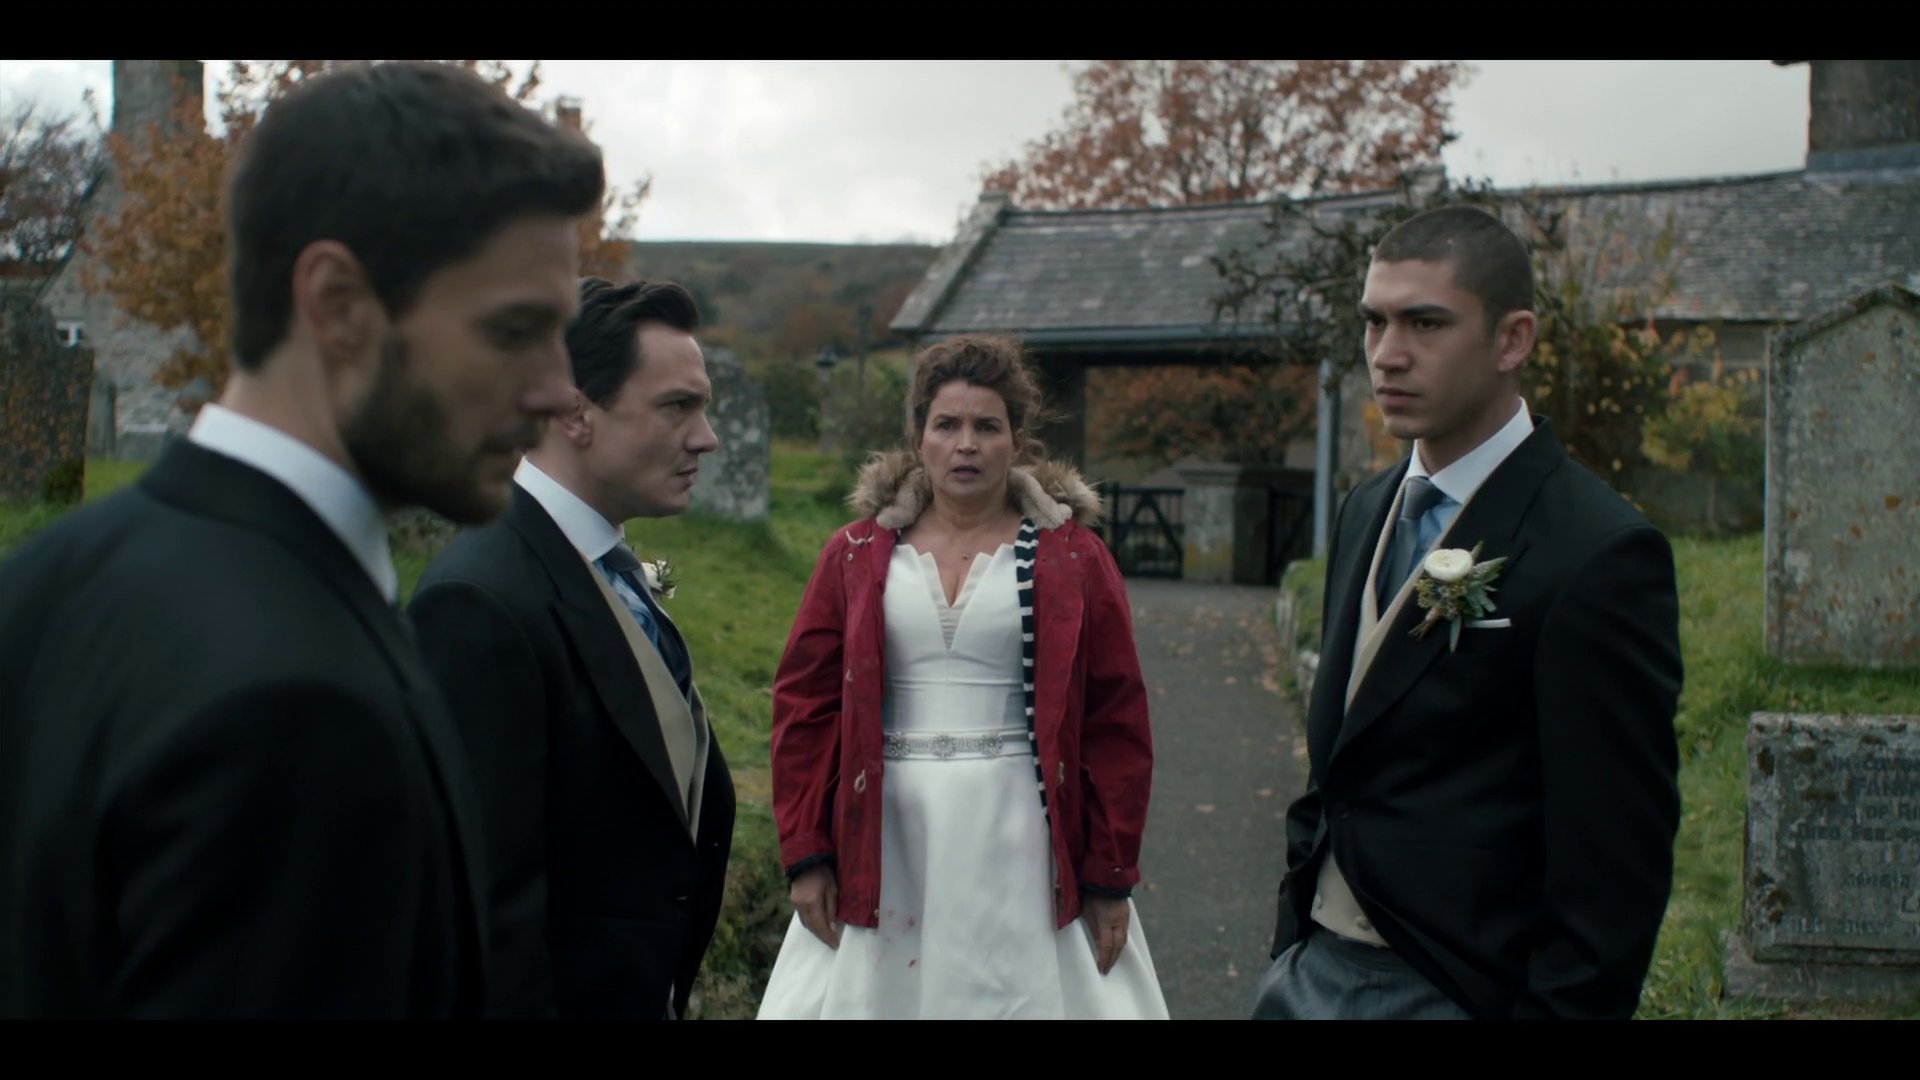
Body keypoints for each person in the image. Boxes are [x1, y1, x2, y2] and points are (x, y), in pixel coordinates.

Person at [0, 60, 604, 1018]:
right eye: (515, 329)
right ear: (335, 303)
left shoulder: (40, 578)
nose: (556, 387)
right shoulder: (302, 709)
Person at [1251, 205, 1684, 1021]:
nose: (1387, 355)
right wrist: (1292, 943)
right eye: (1374, 322)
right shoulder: (1365, 508)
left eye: (1425, 323)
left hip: (1457, 987)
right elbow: (1339, 758)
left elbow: (1613, 863)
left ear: (1512, 340)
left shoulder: (1598, 553)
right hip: (1307, 974)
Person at [759, 335, 1169, 1019]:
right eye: (947, 424)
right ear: (919, 435)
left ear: (1017, 441)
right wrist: (806, 855)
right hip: (885, 837)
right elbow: (804, 704)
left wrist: (1108, 875)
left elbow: (1115, 719)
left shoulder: (1073, 557)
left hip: (1020, 837)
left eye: (987, 426)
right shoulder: (856, 553)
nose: (966, 444)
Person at [409, 277, 735, 1020]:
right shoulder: (479, 605)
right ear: (573, 413)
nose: (706, 437)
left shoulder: (608, 568)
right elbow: (481, 917)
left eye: (704, 406)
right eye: (677, 406)